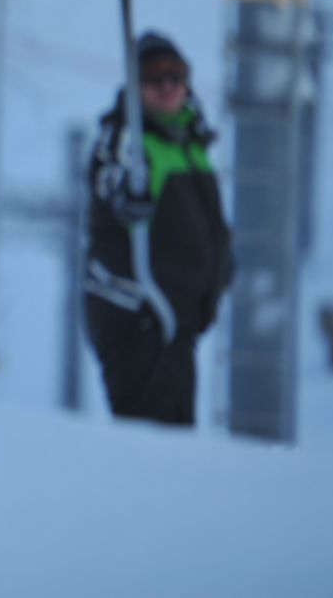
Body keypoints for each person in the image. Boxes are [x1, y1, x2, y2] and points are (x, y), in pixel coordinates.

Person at [82, 31, 234, 427]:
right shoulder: (127, 137)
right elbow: (108, 176)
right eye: (153, 77)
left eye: (176, 75)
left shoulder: (189, 141)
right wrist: (123, 196)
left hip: (178, 322)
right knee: (153, 440)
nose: (167, 86)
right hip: (141, 315)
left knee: (177, 432)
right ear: (135, 85)